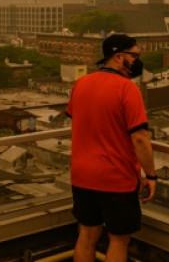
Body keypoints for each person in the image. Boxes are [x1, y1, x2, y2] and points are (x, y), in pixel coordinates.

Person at [65, 33, 157, 262]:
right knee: (118, 239)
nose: (138, 61)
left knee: (86, 234)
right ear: (118, 57)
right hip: (115, 178)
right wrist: (151, 175)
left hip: (81, 175)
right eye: (134, 55)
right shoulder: (127, 89)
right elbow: (140, 139)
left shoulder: (81, 84)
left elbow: (79, 121)